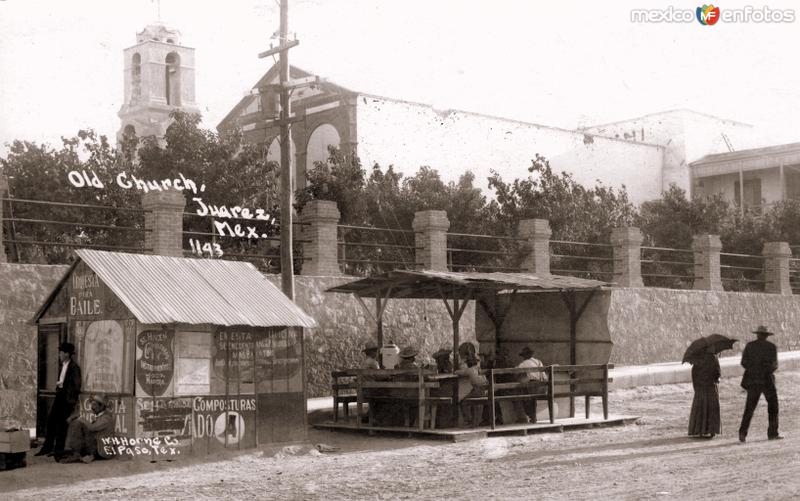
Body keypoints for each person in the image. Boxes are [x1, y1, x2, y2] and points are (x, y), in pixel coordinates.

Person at [36, 342, 82, 459]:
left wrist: (69, 400)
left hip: (67, 400)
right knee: (51, 422)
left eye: (61, 353)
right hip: (59, 397)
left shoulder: (74, 367)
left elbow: (76, 386)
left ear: (67, 354)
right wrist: (59, 386)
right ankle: (47, 448)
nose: (59, 355)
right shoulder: (63, 365)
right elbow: (63, 381)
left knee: (61, 426)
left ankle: (58, 452)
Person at [738, 325, 782, 442]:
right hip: (767, 380)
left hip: (753, 380)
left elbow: (743, 362)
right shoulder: (771, 347)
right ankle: (772, 433)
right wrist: (765, 371)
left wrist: (753, 370)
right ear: (767, 336)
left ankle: (742, 433)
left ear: (757, 335)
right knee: (773, 407)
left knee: (749, 408)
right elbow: (774, 365)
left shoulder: (750, 346)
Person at [59, 394, 115, 463]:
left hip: (102, 451)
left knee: (79, 423)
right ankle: (73, 452)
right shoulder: (99, 416)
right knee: (77, 423)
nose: (92, 407)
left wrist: (81, 419)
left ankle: (74, 452)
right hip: (97, 447)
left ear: (102, 407)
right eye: (92, 405)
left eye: (94, 405)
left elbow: (92, 428)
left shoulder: (106, 418)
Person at [687, 347, 721, 438]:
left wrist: (696, 387)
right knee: (712, 408)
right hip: (710, 387)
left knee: (700, 408)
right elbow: (717, 373)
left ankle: (700, 430)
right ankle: (712, 430)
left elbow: (694, 373)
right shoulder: (713, 358)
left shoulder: (697, 359)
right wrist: (717, 379)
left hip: (700, 388)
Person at [512, 346, 546, 423]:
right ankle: (532, 417)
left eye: (523, 356)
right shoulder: (539, 362)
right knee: (531, 399)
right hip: (541, 387)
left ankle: (525, 417)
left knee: (520, 395)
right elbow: (544, 377)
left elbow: (515, 371)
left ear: (525, 356)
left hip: (531, 386)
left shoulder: (524, 363)